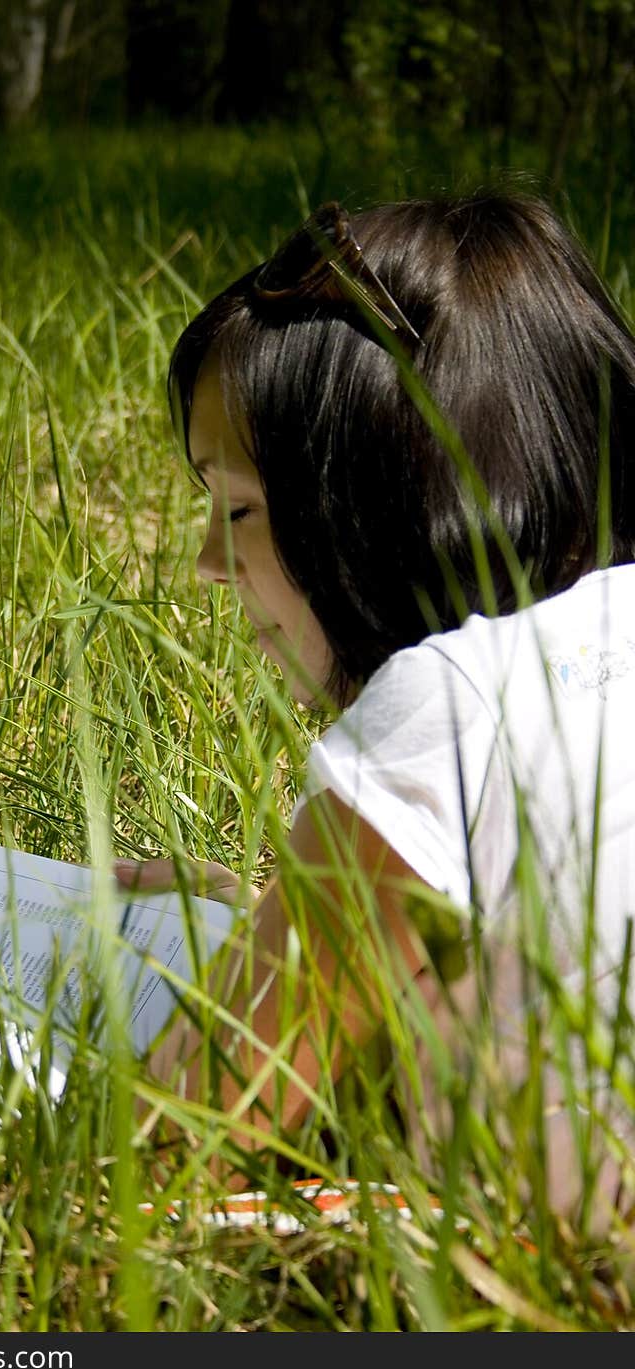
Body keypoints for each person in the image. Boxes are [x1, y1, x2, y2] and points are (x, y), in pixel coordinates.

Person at [114, 191, 635, 1236]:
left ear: (375, 508)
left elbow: (184, 1132)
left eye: (238, 510)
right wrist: (275, 899)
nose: (208, 568)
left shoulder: (451, 704)